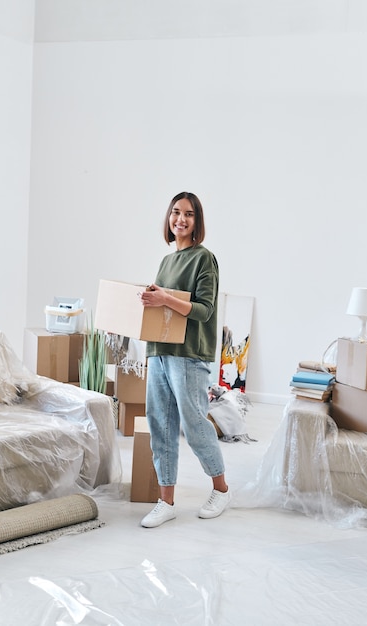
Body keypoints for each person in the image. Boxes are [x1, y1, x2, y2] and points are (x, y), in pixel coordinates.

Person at [139, 191, 230, 528]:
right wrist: (152, 298)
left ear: (197, 221)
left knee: (193, 425)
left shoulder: (204, 259)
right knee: (160, 425)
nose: (180, 219)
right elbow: (164, 308)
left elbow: (205, 311)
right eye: (175, 213)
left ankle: (221, 489)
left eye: (188, 214)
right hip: (161, 351)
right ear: (168, 218)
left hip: (190, 355)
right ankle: (166, 501)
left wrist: (165, 297)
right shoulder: (166, 261)